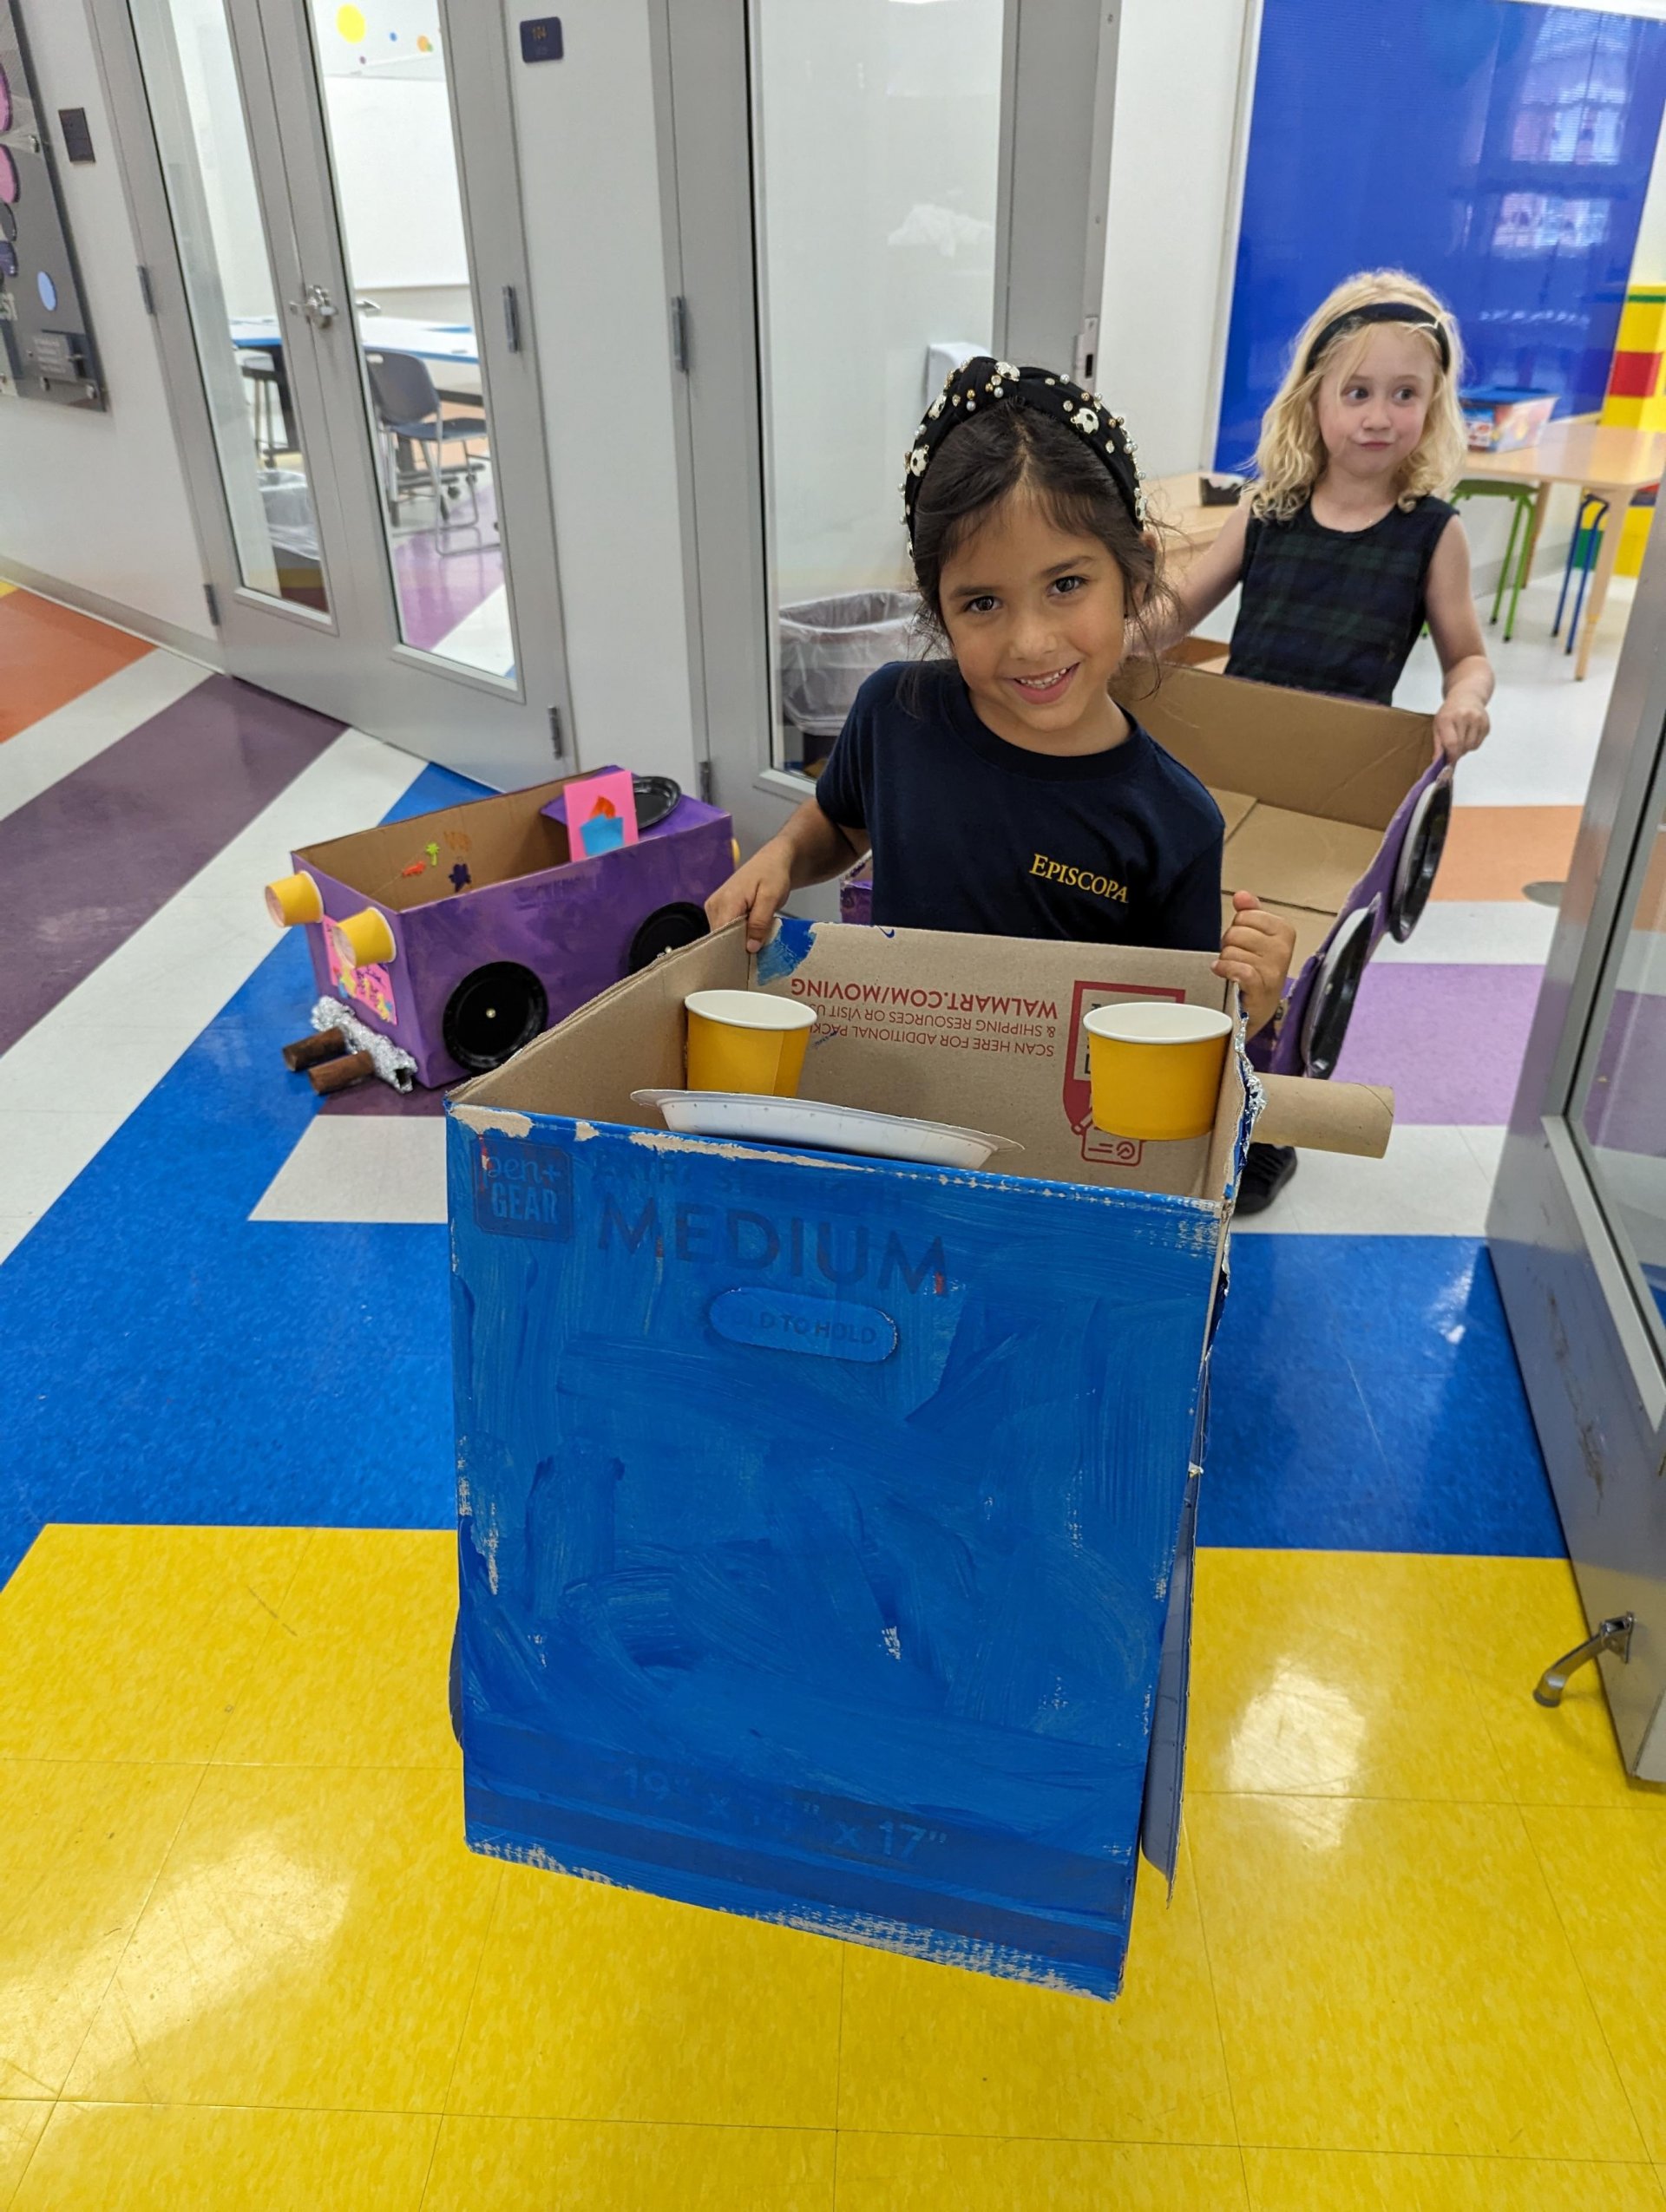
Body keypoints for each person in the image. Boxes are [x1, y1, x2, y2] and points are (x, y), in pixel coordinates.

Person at [705, 355, 1297, 1120]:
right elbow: (841, 820)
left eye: (1066, 584)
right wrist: (783, 855)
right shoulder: (896, 713)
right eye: (982, 601)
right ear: (937, 608)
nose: (1030, 641)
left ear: (1137, 573)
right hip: (894, 1101)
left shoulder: (1176, 823)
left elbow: (1178, 1037)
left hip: (1054, 1144)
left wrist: (1257, 1001)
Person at [1154, 269, 1496, 1210]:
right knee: (1201, 930)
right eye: (1358, 392)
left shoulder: (1434, 535)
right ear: (1315, 397)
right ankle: (1179, 1078)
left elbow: (1469, 655)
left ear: (1433, 408)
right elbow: (1174, 610)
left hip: (1338, 796)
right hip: (1229, 767)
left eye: (1405, 394)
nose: (1379, 416)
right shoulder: (1266, 511)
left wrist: (1465, 702)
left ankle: (1272, 1122)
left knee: (1298, 966)